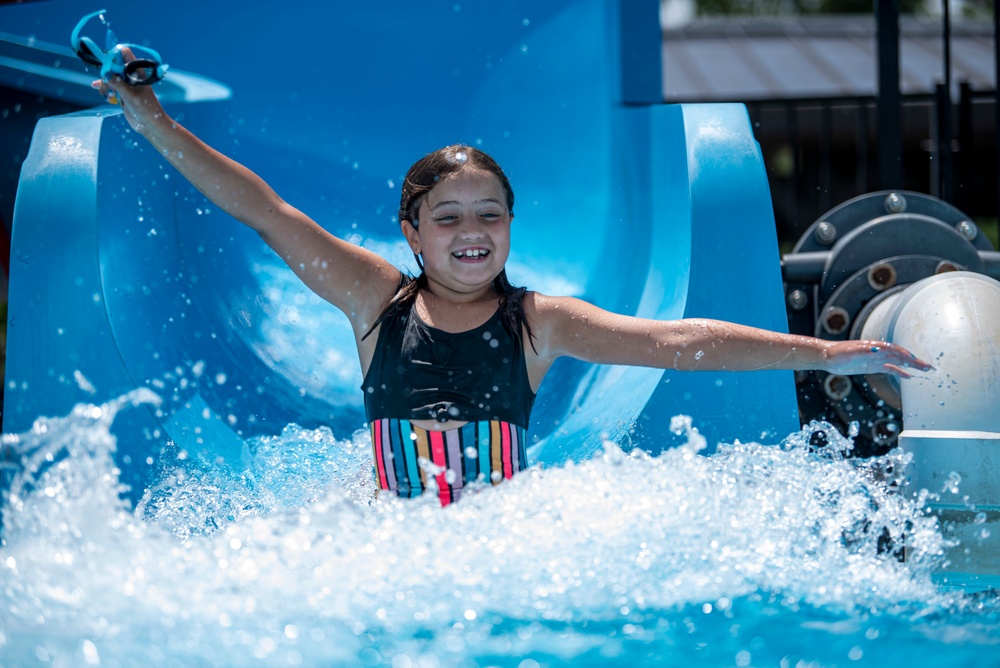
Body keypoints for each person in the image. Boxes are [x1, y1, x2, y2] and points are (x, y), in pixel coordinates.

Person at [95, 65, 931, 507]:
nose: (471, 233)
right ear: (411, 231)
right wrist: (154, 121)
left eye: (489, 214)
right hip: (385, 527)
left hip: (501, 532)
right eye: (448, 216)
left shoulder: (540, 323)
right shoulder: (374, 300)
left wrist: (829, 351)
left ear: (510, 226)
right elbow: (268, 212)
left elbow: (681, 342)